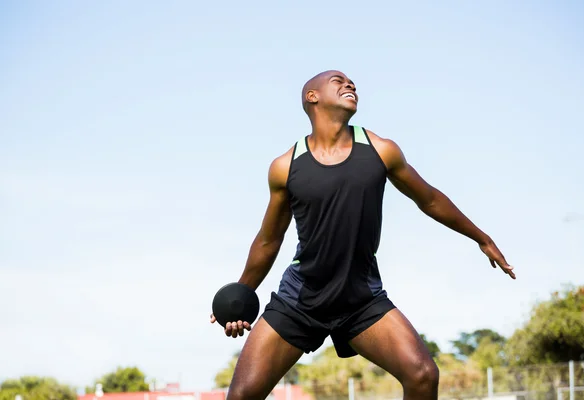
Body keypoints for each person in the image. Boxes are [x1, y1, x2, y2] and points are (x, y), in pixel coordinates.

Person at [210, 70, 515, 400]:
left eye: (351, 82)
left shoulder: (380, 150)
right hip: (300, 299)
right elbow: (269, 240)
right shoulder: (286, 167)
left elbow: (429, 198)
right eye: (338, 81)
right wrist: (241, 295)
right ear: (312, 97)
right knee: (240, 397)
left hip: (361, 300)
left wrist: (481, 238)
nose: (350, 85)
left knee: (423, 375)